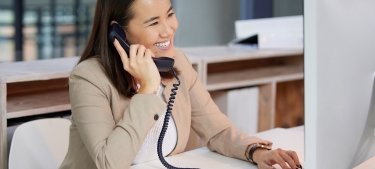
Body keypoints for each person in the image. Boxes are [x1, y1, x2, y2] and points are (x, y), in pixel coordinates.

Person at [59, 0, 302, 169]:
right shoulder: (89, 78)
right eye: (153, 23)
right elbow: (108, 164)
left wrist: (257, 153)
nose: (168, 29)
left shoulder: (177, 63)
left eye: (170, 14)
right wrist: (147, 90)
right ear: (118, 34)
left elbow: (218, 131)